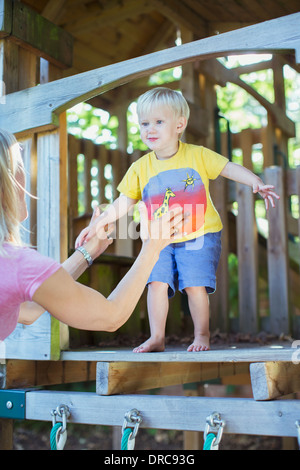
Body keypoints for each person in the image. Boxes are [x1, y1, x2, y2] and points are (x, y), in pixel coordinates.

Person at [75, 87, 280, 353]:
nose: (150, 128)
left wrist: (254, 181)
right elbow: (124, 202)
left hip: (199, 233)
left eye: (159, 122)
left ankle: (202, 335)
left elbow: (227, 167)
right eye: (145, 123)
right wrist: (97, 224)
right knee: (156, 282)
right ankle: (157, 337)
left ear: (179, 124)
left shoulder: (197, 155)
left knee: (194, 285)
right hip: (158, 239)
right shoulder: (140, 168)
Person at [0, 128, 186, 342]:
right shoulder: (15, 262)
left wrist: (87, 252)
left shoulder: (13, 266)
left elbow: (31, 308)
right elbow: (111, 316)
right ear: (7, 183)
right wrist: (153, 247)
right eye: (19, 165)